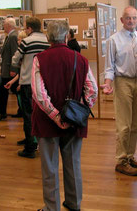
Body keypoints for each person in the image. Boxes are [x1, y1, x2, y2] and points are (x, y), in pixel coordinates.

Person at [31, 20, 98, 211]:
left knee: (49, 168)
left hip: (46, 122)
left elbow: (39, 94)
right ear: (67, 36)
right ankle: (74, 203)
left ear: (47, 38)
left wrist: (56, 116)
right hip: (74, 121)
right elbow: (92, 91)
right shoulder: (81, 59)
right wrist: (77, 111)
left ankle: (52, 208)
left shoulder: (40, 59)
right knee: (73, 164)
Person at [101, 6, 137, 176]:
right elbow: (110, 66)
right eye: (128, 18)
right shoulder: (114, 40)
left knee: (135, 124)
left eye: (134, 18)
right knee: (124, 124)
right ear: (122, 20)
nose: (131, 21)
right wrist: (108, 84)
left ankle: (130, 156)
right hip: (123, 82)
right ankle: (121, 160)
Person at [11, 17, 50, 158]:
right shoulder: (47, 40)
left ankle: (30, 147)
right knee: (42, 113)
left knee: (28, 116)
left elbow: (15, 59)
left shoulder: (26, 41)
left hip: (28, 82)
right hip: (43, 82)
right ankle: (42, 145)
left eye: (25, 28)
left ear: (30, 29)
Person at [0, 17, 20, 121]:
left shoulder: (13, 37)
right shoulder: (10, 36)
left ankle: (1, 113)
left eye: (4, 25)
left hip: (10, 71)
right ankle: (18, 111)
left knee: (3, 90)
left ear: (9, 25)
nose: (3, 26)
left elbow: (15, 54)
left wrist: (13, 69)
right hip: (8, 70)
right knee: (13, 90)